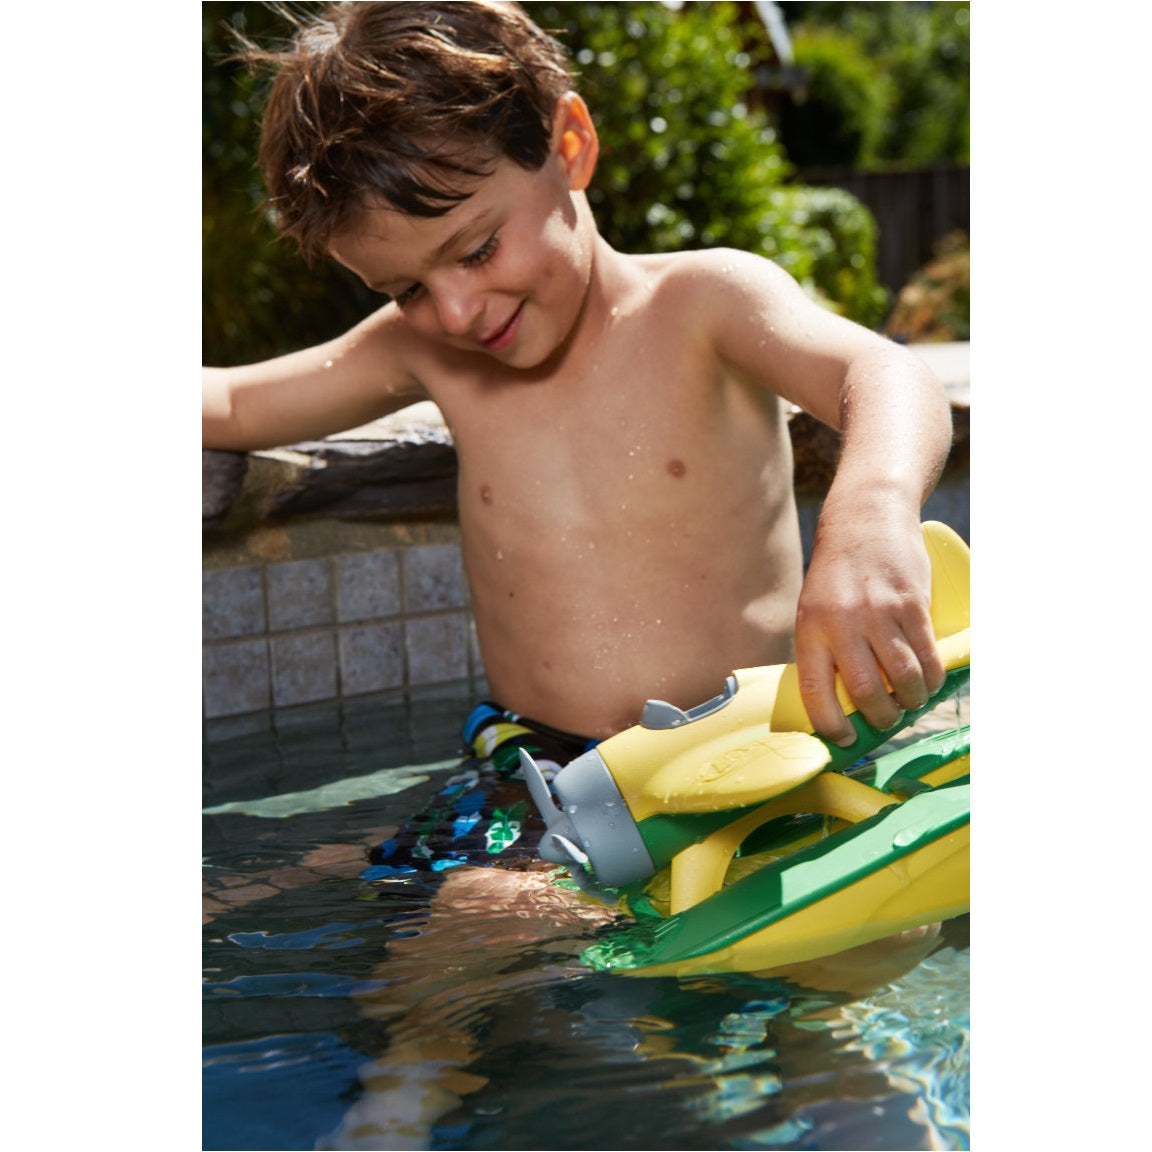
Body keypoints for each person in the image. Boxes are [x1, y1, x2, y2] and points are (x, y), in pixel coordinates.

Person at [202, 0, 955, 759]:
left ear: (569, 144)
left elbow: (886, 372)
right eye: (407, 289)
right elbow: (232, 402)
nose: (457, 312)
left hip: (749, 751)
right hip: (541, 768)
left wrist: (868, 520)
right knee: (482, 887)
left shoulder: (706, 306)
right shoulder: (426, 351)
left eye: (477, 249)